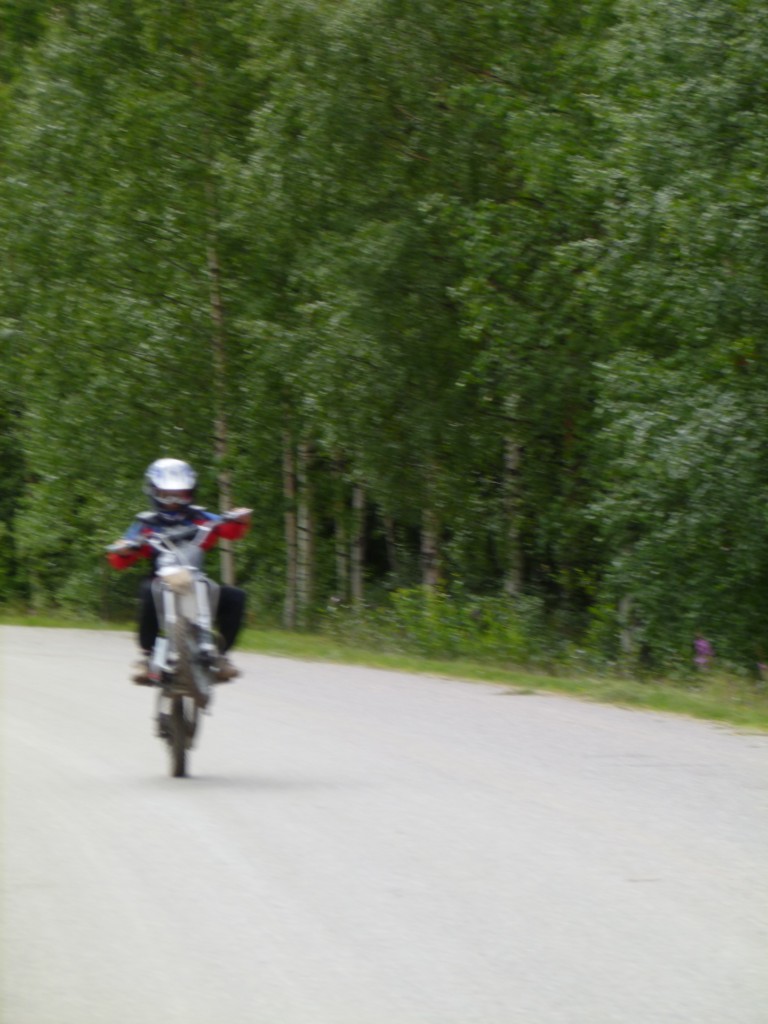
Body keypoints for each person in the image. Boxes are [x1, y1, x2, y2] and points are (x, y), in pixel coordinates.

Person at [107, 458, 251, 685]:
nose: (173, 502)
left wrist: (239, 519)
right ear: (154, 492)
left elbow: (230, 530)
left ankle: (221, 656)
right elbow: (119, 556)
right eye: (166, 495)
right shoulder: (146, 523)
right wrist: (124, 549)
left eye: (179, 495)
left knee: (235, 597)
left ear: (190, 493)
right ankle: (147, 657)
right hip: (161, 579)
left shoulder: (202, 518)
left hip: (195, 577)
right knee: (147, 591)